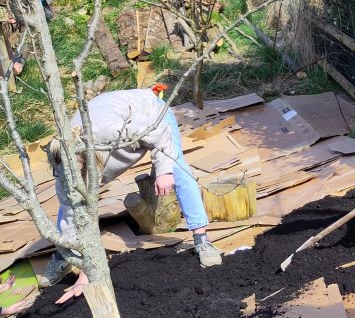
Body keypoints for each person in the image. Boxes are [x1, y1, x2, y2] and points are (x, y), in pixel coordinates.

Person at [41, 87, 223, 300]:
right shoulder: (62, 165)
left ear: (86, 156)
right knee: (70, 203)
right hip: (109, 122)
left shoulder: (112, 131)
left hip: (150, 116)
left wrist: (164, 172)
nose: (77, 177)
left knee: (177, 169)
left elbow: (161, 134)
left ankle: (202, 239)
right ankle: (65, 255)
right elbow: (73, 213)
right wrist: (86, 271)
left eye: (81, 171)